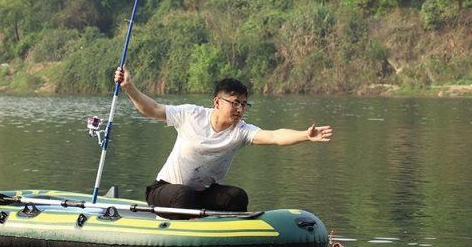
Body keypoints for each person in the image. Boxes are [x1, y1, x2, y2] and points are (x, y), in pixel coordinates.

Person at [114, 66, 332, 214]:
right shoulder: (191, 115)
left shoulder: (241, 131)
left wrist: (305, 135)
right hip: (166, 191)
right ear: (217, 102)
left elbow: (275, 136)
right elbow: (152, 109)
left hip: (202, 195)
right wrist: (128, 87)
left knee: (236, 197)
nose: (239, 109)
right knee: (184, 195)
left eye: (244, 104)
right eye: (235, 102)